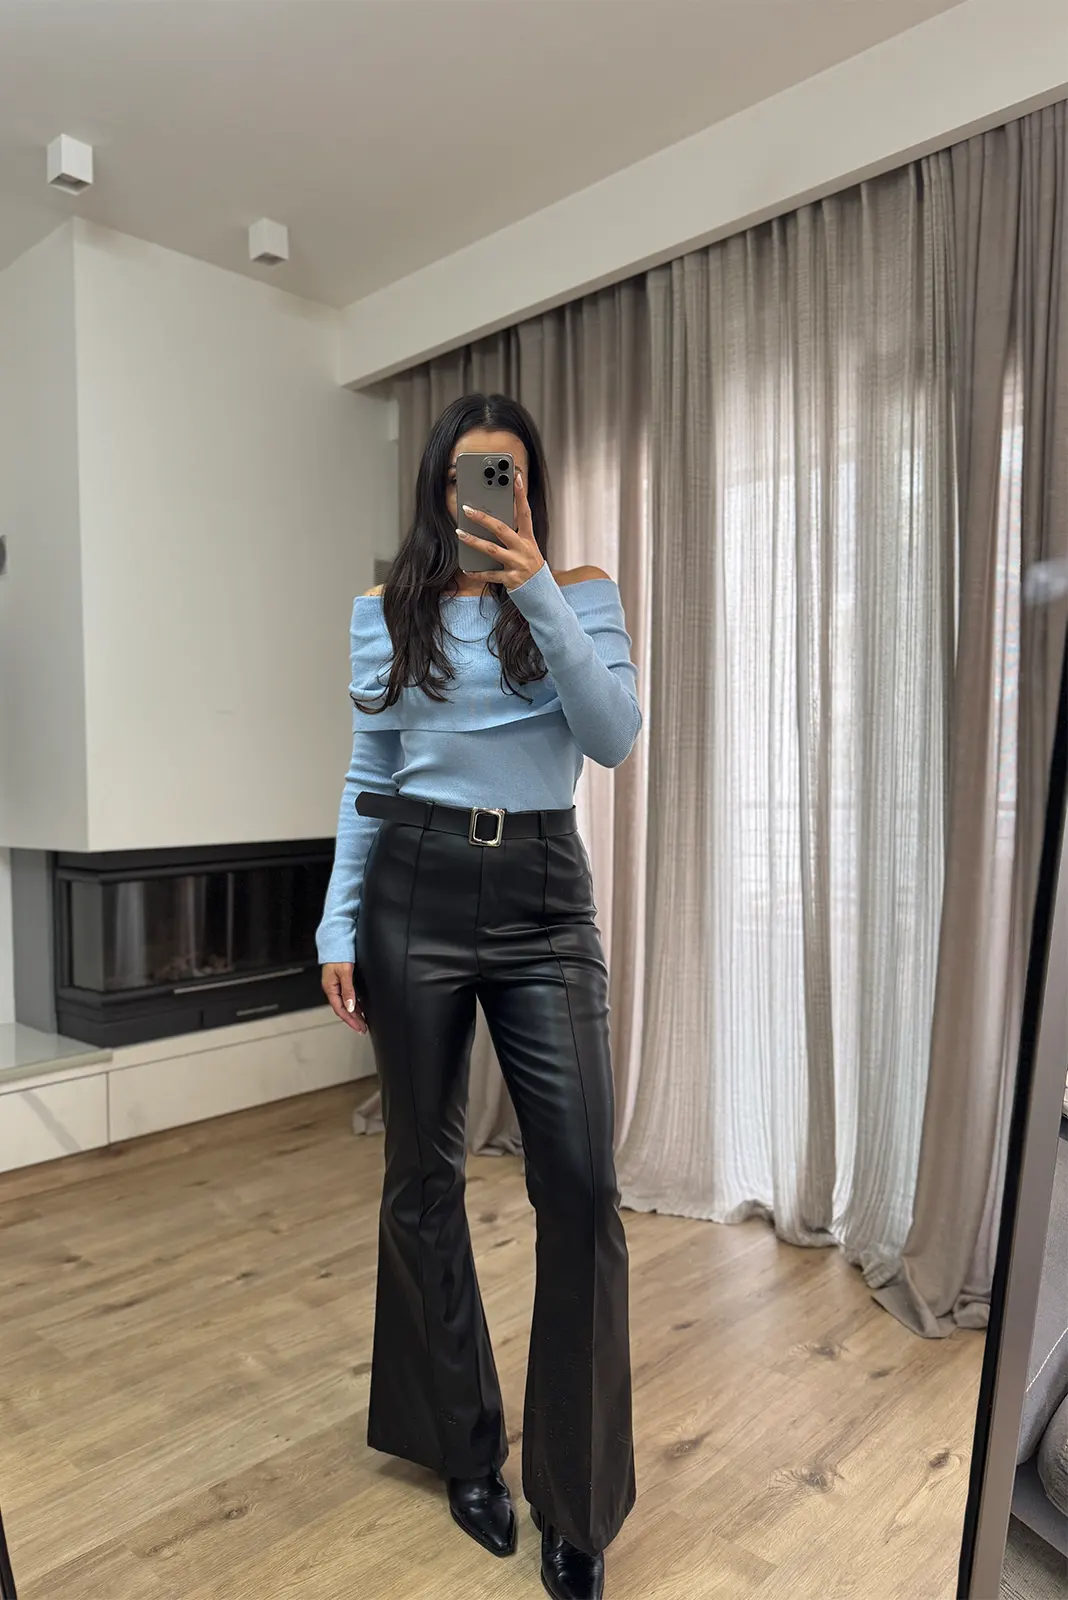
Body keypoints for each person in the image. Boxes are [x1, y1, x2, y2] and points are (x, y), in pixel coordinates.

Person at [317, 394, 639, 1600]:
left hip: (546, 892)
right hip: (413, 885)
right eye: (467, 475)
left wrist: (536, 583)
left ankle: (577, 1500)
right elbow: (371, 768)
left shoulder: (581, 592)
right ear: (436, 490)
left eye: (506, 474)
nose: (485, 494)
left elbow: (612, 736)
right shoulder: (386, 610)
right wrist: (337, 919)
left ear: (530, 487)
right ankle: (460, 1444)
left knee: (583, 1184)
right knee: (423, 1173)